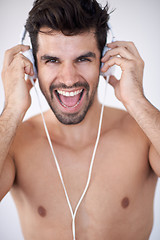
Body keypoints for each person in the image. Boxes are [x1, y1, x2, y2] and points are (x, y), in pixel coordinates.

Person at [0, 0, 160, 239]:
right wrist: (12, 109)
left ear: (104, 61)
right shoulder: (13, 143)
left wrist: (136, 101)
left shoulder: (144, 134)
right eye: (52, 60)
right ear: (33, 65)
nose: (68, 78)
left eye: (83, 59)